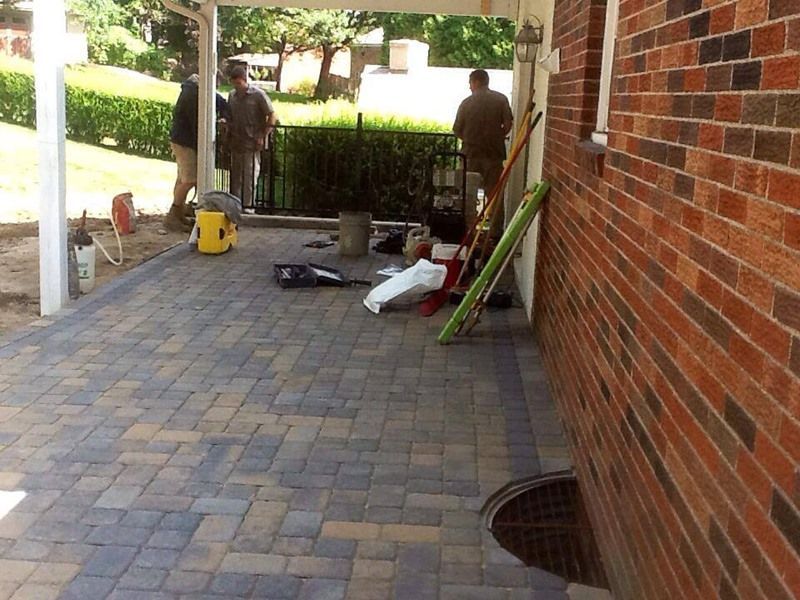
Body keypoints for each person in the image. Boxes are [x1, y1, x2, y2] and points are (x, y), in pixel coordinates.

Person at [166, 74, 230, 232]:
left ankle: (179, 213)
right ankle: (173, 215)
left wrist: (223, 116)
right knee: (190, 180)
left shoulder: (195, 90)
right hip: (185, 143)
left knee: (183, 179)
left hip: (181, 141)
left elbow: (221, 103)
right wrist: (204, 144)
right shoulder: (192, 96)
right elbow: (197, 124)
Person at [453, 69, 513, 237]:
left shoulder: (466, 103)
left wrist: (470, 137)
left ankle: (467, 233)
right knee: (494, 196)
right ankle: (495, 234)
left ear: (476, 82)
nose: (469, 87)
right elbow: (508, 125)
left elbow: (456, 130)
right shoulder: (501, 99)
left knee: (467, 196)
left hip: (470, 156)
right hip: (494, 156)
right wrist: (497, 136)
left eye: (470, 83)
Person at [227, 65, 277, 210]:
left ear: (244, 80)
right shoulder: (232, 96)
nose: (237, 87)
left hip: (252, 143)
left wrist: (263, 135)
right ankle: (236, 205)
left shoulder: (258, 95)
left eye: (239, 83)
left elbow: (272, 114)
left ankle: (248, 206)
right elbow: (230, 114)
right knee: (235, 177)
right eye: (234, 83)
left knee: (250, 176)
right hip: (236, 141)